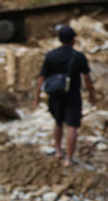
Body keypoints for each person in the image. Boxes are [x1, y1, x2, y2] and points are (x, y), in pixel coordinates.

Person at [32, 24, 96, 166]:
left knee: (58, 123)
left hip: (55, 94)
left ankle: (58, 150)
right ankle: (69, 159)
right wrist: (92, 95)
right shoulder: (79, 57)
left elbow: (41, 77)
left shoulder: (51, 55)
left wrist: (36, 97)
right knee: (72, 127)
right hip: (72, 95)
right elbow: (87, 78)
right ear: (73, 40)